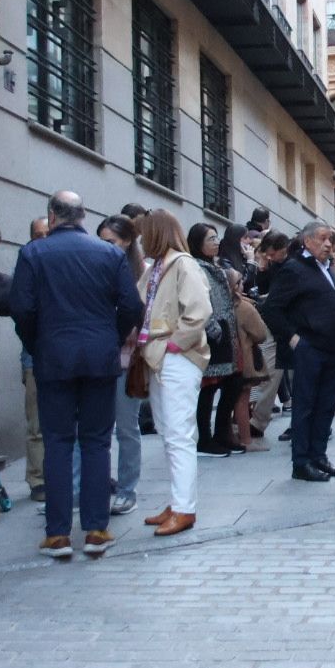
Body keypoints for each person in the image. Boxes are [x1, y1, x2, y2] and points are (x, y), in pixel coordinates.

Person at [12, 192, 142, 558]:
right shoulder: (109, 253)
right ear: (84, 216)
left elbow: (21, 308)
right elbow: (132, 306)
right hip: (100, 357)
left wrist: (38, 342)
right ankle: (97, 529)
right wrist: (111, 338)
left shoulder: (33, 253)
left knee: (57, 442)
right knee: (97, 441)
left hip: (53, 357)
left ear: (51, 215)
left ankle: (57, 535)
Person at [134, 210, 211, 535]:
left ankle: (184, 508)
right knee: (170, 434)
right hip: (159, 358)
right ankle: (179, 501)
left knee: (178, 435)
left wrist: (174, 345)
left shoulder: (182, 264)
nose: (140, 241)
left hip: (174, 358)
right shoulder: (157, 268)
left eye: (144, 235)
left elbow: (200, 311)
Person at [262, 222, 335, 483]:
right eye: (323, 239)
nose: (328, 244)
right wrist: (293, 339)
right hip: (310, 348)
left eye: (331, 240)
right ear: (307, 241)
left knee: (327, 405)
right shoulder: (294, 269)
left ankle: (318, 456)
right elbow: (272, 309)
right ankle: (301, 463)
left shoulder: (327, 268)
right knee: (306, 406)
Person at [97, 215, 149, 514]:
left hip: (126, 360)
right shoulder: (97, 267)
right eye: (102, 241)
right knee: (96, 430)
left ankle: (128, 490)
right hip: (100, 359)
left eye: (111, 242)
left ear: (127, 242)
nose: (106, 247)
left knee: (126, 428)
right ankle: (98, 485)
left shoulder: (140, 273)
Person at [187, 224, 242, 460]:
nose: (216, 242)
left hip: (225, 332)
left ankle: (222, 434)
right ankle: (205, 439)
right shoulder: (194, 267)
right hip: (210, 334)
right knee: (208, 389)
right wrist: (212, 328)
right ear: (198, 243)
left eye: (217, 237)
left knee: (232, 383)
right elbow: (197, 302)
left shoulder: (215, 266)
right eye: (211, 238)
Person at [246, 231, 292, 442]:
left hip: (290, 327)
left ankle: (296, 423)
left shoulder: (293, 265)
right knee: (270, 373)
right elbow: (263, 288)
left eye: (272, 254)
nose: (270, 257)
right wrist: (263, 267)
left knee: (292, 377)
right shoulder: (272, 265)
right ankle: (257, 421)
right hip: (273, 326)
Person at [19, 216, 49, 501]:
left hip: (63, 354)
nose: (43, 239)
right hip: (35, 355)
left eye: (47, 233)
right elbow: (21, 311)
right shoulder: (26, 265)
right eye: (37, 235)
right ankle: (38, 480)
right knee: (37, 423)